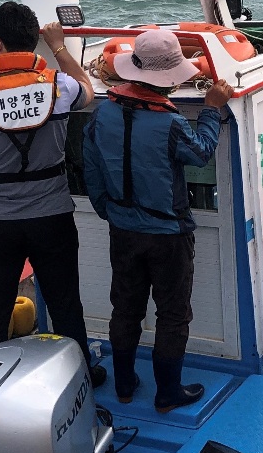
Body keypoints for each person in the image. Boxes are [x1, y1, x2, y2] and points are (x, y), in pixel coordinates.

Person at [0, 1, 106, 387]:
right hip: (52, 217)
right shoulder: (58, 86)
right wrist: (61, 47)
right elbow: (88, 90)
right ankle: (82, 376)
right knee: (65, 303)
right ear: (35, 42)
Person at [82, 29, 233, 413]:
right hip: (168, 234)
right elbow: (200, 153)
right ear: (168, 78)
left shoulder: (102, 114)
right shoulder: (170, 123)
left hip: (123, 230)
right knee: (172, 313)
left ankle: (124, 385)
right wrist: (212, 108)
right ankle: (168, 393)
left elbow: (91, 171)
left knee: (125, 308)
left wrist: (108, 210)